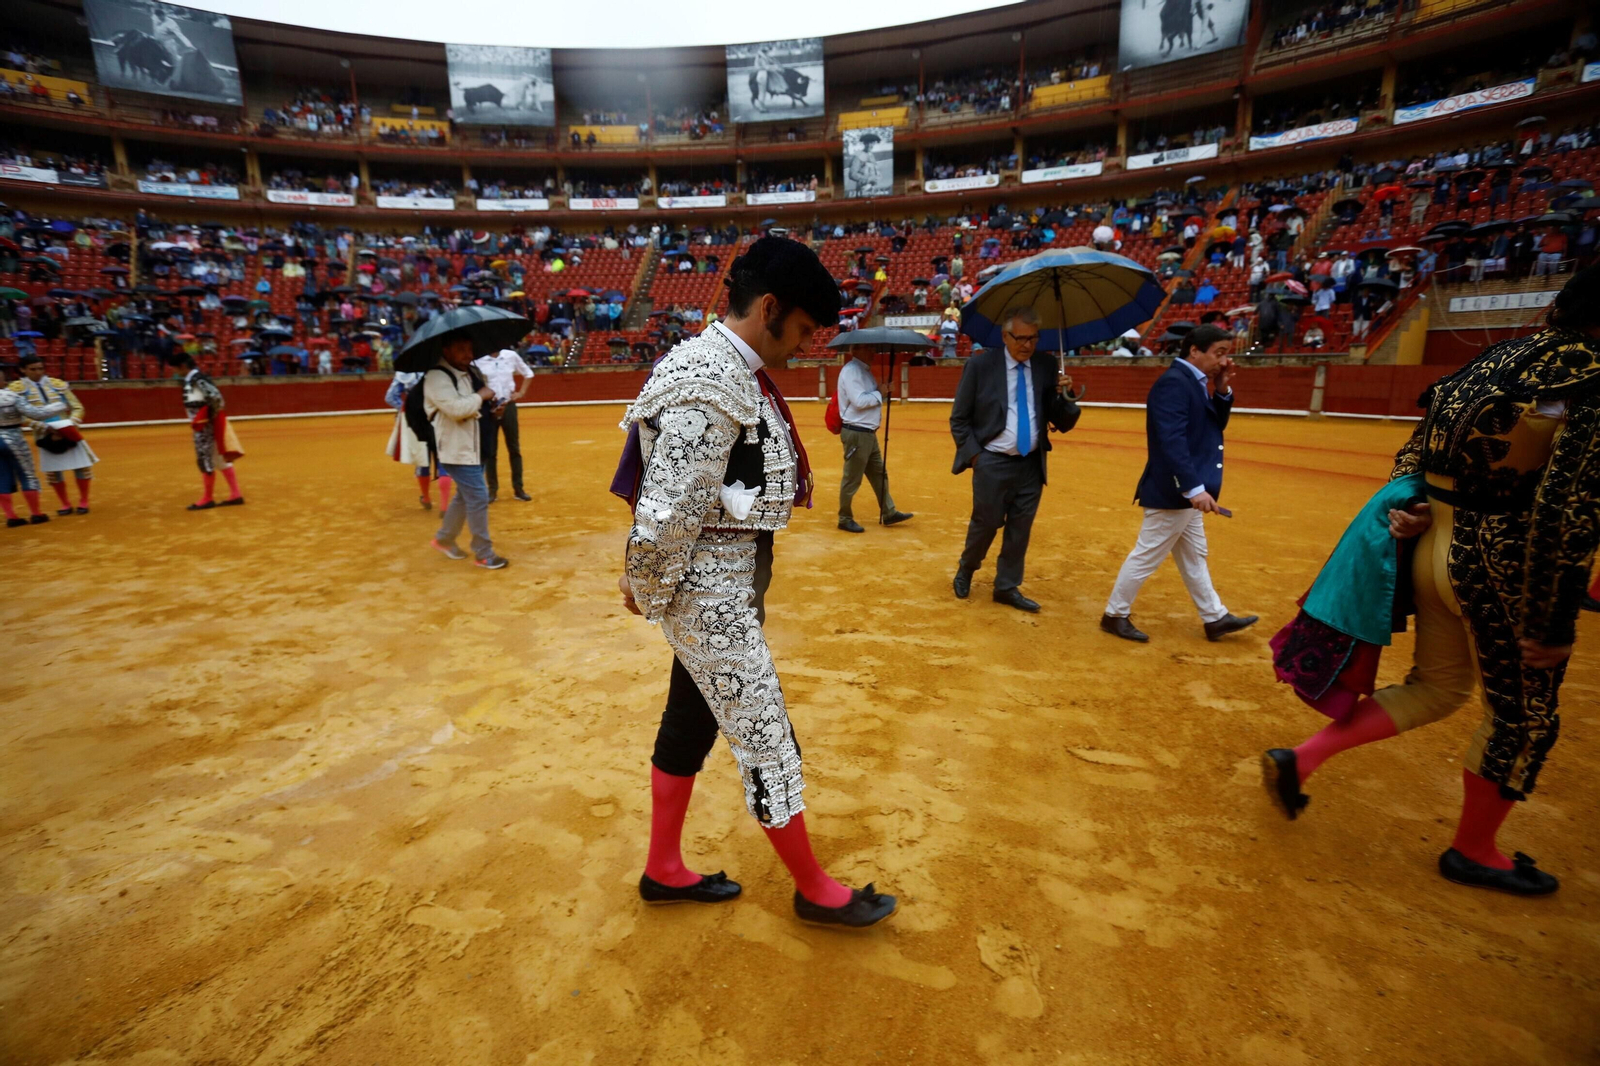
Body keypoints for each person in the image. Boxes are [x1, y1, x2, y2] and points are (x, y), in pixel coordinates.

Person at [1262, 265, 1600, 896]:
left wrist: (1413, 507)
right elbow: (1568, 506)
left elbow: (1416, 449)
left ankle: (1303, 758)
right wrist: (1554, 620)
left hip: (1430, 542)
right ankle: (1475, 850)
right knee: (1522, 719)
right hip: (1505, 566)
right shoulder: (1589, 375)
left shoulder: (1496, 358)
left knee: (1439, 687)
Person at [616, 237, 895, 928]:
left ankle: (663, 869)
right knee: (765, 731)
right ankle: (815, 888)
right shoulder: (711, 378)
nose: (804, 345)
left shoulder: (723, 369)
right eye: (802, 329)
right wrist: (644, 584)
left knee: (691, 717)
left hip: (726, 580)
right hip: (708, 593)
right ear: (769, 307)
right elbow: (667, 509)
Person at [1101, 324, 1257, 642]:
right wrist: (1194, 489)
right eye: (1219, 353)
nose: (1224, 361)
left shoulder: (1195, 382)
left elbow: (1212, 428)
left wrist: (1222, 390)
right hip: (1172, 490)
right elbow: (1170, 441)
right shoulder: (1174, 383)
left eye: (1227, 354)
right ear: (1194, 351)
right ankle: (1114, 615)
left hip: (1182, 490)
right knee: (1147, 555)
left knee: (1194, 555)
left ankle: (1215, 617)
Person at [949, 308, 1082, 612]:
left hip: (1032, 463)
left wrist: (1067, 395)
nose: (1027, 345)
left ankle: (1006, 586)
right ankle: (967, 567)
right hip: (992, 461)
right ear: (1005, 336)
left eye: (1033, 338)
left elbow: (1062, 421)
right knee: (986, 523)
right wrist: (975, 457)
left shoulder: (1047, 365)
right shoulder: (981, 366)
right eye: (1020, 338)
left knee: (1020, 528)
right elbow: (959, 419)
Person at [425, 336, 507, 569]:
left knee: (465, 495)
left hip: (476, 445)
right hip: (457, 448)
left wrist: (495, 409)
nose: (467, 354)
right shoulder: (436, 376)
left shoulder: (471, 372)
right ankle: (483, 553)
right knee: (478, 496)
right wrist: (481, 395)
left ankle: (444, 538)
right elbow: (456, 409)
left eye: (470, 349)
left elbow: (478, 406)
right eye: (461, 349)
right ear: (446, 350)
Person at [834, 351, 913, 533]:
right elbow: (859, 402)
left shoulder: (863, 371)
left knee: (879, 474)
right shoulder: (852, 371)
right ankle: (844, 518)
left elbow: (869, 398)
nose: (873, 353)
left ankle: (889, 512)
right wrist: (880, 392)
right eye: (868, 348)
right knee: (852, 478)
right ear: (858, 349)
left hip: (868, 433)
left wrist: (883, 392)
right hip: (857, 433)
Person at [9, 353, 95, 515]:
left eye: (40, 368)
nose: (38, 372)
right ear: (22, 370)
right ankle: (65, 503)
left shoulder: (58, 384)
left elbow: (77, 407)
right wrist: (43, 427)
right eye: (33, 369)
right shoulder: (16, 390)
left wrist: (70, 423)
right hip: (43, 433)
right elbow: (20, 415)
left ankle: (84, 500)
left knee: (82, 467)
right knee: (54, 470)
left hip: (68, 430)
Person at [169, 353, 243, 511]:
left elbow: (217, 398)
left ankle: (208, 498)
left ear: (183, 366)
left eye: (175, 368)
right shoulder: (193, 379)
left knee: (205, 459)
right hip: (205, 425)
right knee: (218, 459)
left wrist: (206, 419)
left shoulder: (197, 379)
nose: (174, 372)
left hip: (204, 427)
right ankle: (236, 494)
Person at [0, 363, 67, 527]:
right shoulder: (11, 397)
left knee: (1, 477)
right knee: (27, 474)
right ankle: (36, 514)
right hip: (13, 438)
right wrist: (61, 404)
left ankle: (11, 517)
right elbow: (37, 414)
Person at [472, 346, 534, 503]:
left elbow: (529, 373)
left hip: (508, 405)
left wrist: (521, 393)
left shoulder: (510, 356)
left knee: (514, 448)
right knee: (490, 451)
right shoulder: (478, 360)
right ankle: (492, 490)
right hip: (489, 407)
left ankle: (518, 488)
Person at [385, 370, 452, 511]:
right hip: (439, 417)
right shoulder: (440, 368)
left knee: (422, 458)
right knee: (443, 458)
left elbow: (390, 397)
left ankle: (426, 497)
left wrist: (408, 408)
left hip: (416, 421)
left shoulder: (406, 370)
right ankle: (444, 506)